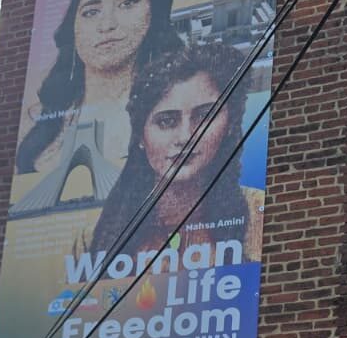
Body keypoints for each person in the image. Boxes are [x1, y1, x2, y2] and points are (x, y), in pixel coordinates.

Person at [89, 43, 264, 264]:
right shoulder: (98, 235)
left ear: (230, 124)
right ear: (140, 137)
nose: (185, 136)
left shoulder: (259, 213)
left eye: (204, 116)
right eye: (166, 121)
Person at [16, 0, 185, 175]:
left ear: (154, 13)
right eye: (91, 12)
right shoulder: (36, 120)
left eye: (128, 2)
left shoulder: (180, 109)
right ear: (73, 26)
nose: (106, 25)